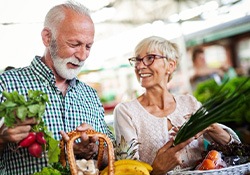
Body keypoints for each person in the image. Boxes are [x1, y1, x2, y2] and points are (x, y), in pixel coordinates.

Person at [0, 1, 113, 175]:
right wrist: (2, 138)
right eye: (74, 44)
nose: (82, 56)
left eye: (88, 46)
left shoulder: (90, 95)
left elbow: (112, 159)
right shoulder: (6, 85)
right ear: (47, 37)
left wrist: (94, 149)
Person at [113, 36, 240, 175]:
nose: (140, 66)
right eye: (137, 60)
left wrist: (210, 126)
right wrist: (156, 170)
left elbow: (235, 147)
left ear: (170, 65)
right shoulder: (126, 112)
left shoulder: (190, 103)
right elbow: (127, 171)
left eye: (150, 58)